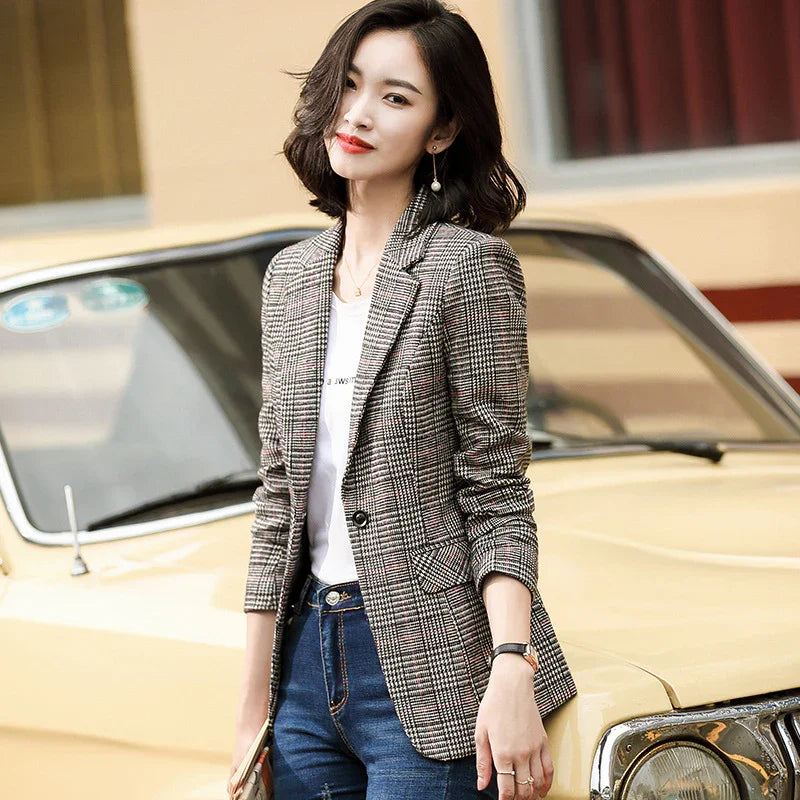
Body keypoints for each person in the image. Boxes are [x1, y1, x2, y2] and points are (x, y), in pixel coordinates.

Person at [230, 1, 578, 798]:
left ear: (443, 129)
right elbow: (279, 501)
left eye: (395, 97)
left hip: (435, 672)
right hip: (305, 674)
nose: (358, 114)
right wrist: (253, 716)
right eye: (350, 86)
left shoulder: (468, 269)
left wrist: (511, 667)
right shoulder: (288, 280)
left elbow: (495, 486)